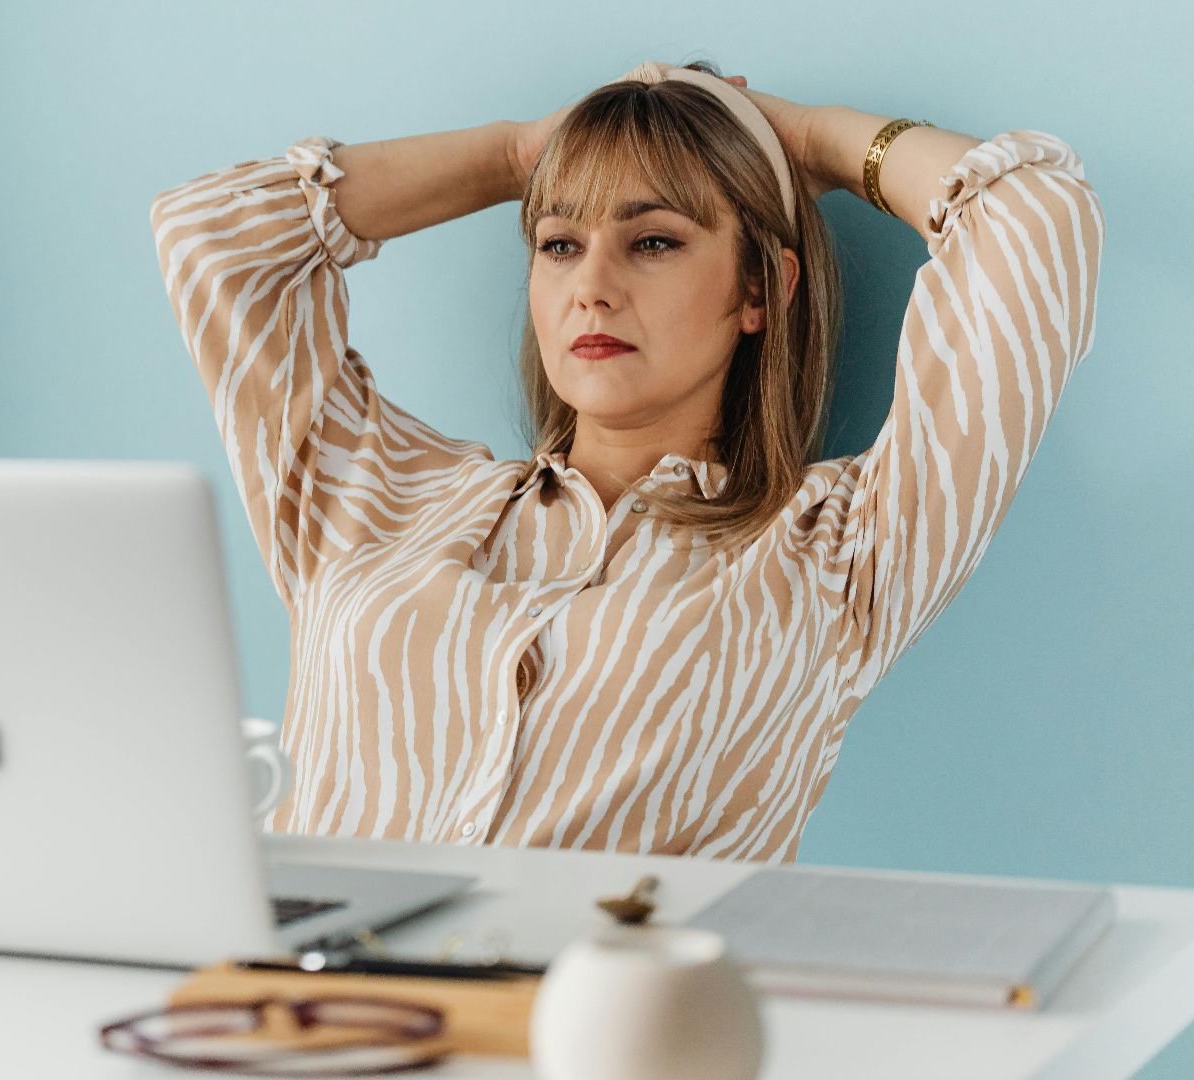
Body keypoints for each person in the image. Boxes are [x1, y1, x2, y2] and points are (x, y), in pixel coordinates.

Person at [147, 60, 1103, 863]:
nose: (591, 288)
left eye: (652, 241)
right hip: (295, 1024)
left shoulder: (839, 554)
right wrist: (525, 152)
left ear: (760, 288)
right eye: (559, 242)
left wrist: (805, 139)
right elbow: (213, 239)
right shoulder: (377, 500)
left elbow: (1034, 218)